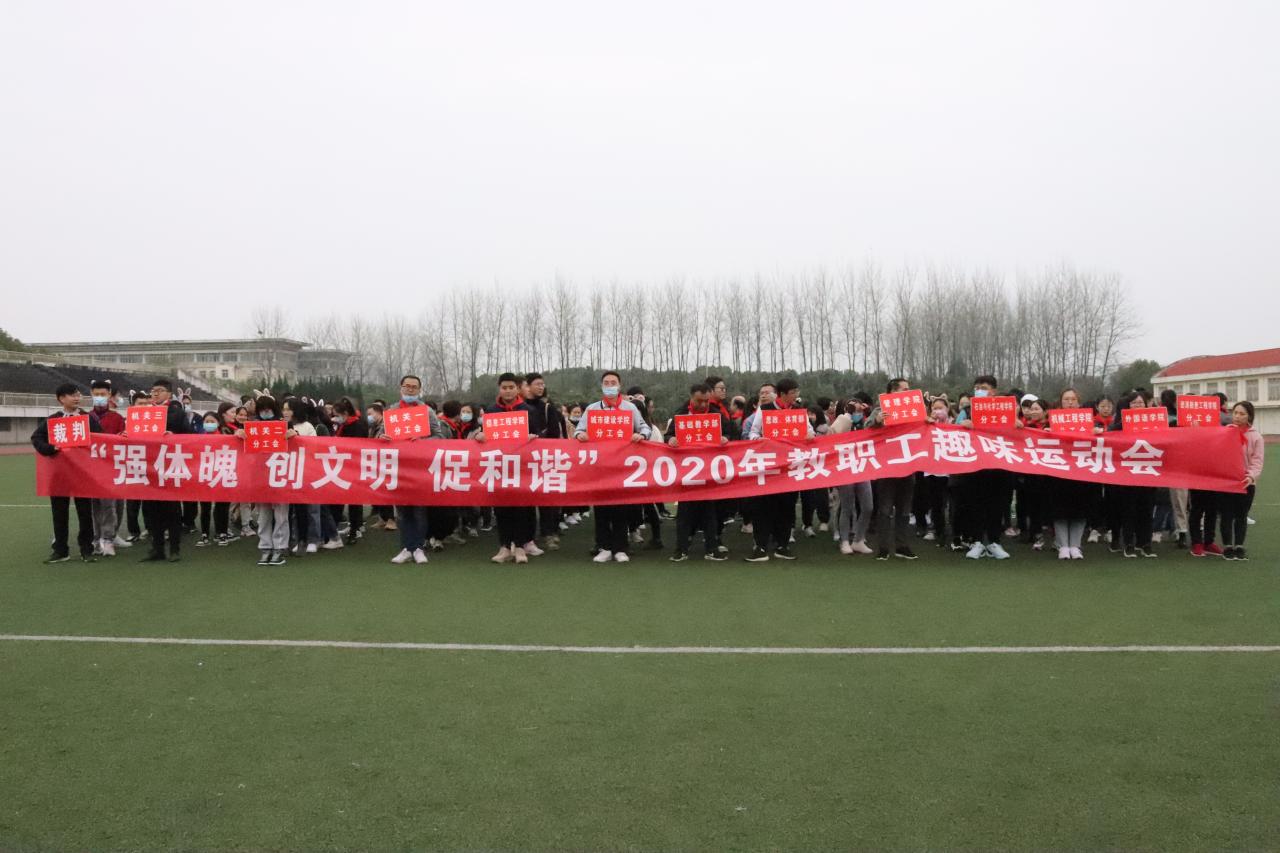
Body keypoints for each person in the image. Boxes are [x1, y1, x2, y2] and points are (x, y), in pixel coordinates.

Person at [574, 370, 651, 563]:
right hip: (599, 466)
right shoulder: (592, 409)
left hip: (621, 466)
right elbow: (579, 430)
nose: (610, 386)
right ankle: (604, 547)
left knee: (620, 508)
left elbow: (645, 428)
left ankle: (620, 548)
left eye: (613, 382)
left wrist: (640, 435)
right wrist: (580, 435)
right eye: (606, 383)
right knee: (601, 509)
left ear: (619, 385)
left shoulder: (630, 408)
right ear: (602, 386)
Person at [743, 377, 814, 562]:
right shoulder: (765, 409)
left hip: (789, 466)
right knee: (762, 506)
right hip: (767, 466)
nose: (796, 395)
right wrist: (759, 440)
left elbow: (810, 431)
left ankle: (782, 545)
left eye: (797, 391)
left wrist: (809, 434)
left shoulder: (798, 411)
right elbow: (753, 432)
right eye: (793, 392)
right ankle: (760, 547)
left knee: (787, 506)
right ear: (782, 394)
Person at [31, 382, 104, 563]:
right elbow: (36, 437)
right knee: (59, 513)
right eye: (72, 395)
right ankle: (61, 550)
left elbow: (103, 438)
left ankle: (87, 549)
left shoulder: (87, 419)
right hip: (60, 474)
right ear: (61, 399)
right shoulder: (53, 420)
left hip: (82, 474)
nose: (77, 398)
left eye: (78, 394)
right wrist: (50, 448)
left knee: (85, 513)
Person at [384, 375, 448, 565]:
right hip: (399, 466)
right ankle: (406, 547)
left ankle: (418, 547)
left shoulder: (427, 411)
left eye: (414, 387)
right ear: (400, 388)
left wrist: (423, 441)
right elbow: (380, 434)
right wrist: (383, 437)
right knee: (403, 511)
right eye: (407, 386)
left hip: (420, 467)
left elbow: (439, 436)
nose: (410, 390)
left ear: (419, 390)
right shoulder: (392, 411)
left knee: (419, 510)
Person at [477, 373, 538, 564]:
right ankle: (504, 547)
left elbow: (539, 435)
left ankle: (520, 547)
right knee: (501, 508)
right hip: (499, 466)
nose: (508, 391)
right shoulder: (491, 411)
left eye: (511, 387)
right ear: (499, 389)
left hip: (522, 466)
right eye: (504, 388)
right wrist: (480, 436)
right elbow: (484, 435)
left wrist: (533, 437)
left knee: (521, 508)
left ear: (517, 389)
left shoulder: (527, 410)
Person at [665, 383, 730, 562]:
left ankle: (712, 548)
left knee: (710, 512)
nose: (703, 405)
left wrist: (726, 438)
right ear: (691, 398)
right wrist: (671, 439)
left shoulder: (716, 414)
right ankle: (681, 549)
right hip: (687, 473)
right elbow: (667, 435)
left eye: (706, 401)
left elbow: (732, 433)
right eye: (699, 401)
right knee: (684, 513)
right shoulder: (680, 414)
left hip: (710, 471)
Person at [955, 374, 1013, 560]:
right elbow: (953, 431)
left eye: (984, 388)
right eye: (977, 388)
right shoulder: (966, 410)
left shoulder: (1005, 409)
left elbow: (1014, 431)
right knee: (975, 504)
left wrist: (1017, 424)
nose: (980, 391)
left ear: (993, 391)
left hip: (999, 465)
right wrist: (963, 425)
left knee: (997, 505)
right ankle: (977, 541)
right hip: (974, 466)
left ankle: (994, 542)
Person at [234, 396, 293, 566]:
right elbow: (239, 441)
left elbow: (297, 441)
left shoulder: (284, 424)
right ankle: (266, 547)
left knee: (281, 515)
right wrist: (239, 434)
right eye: (262, 409)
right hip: (260, 476)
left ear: (274, 409)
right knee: (264, 515)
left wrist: (293, 434)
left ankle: (279, 548)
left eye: (268, 409)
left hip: (280, 475)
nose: (265, 412)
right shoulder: (252, 426)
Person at [140, 379, 192, 563]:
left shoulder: (176, 412)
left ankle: (175, 548)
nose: (155, 393)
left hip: (170, 465)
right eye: (153, 390)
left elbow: (190, 435)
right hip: (149, 466)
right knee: (151, 511)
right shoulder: (143, 412)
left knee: (172, 511)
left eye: (160, 390)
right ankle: (157, 548)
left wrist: (174, 436)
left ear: (169, 394)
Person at [868, 378, 919, 561]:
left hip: (907, 466)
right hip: (887, 467)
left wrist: (928, 420)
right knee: (885, 509)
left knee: (904, 510)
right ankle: (883, 548)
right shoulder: (879, 411)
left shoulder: (914, 410)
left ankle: (901, 546)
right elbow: (866, 430)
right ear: (892, 392)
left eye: (909, 389)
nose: (908, 392)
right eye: (904, 389)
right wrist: (877, 421)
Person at [1109, 391, 1158, 558]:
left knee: (1147, 510)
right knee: (1129, 510)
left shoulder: (1156, 424)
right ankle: (1128, 543)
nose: (1138, 406)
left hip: (1149, 472)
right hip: (1128, 474)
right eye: (1134, 403)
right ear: (1128, 406)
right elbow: (1108, 437)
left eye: (1141, 403)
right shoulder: (1119, 425)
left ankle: (1145, 543)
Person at [1047, 388, 1094, 560]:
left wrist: (1096, 433)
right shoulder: (1052, 421)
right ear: (1061, 402)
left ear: (1078, 402)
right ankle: (1063, 546)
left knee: (1079, 510)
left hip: (1081, 471)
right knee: (1060, 510)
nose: (1070, 402)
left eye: (1073, 399)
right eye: (1066, 399)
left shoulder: (1088, 422)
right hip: (1059, 472)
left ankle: (1075, 545)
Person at [524, 372, 568, 550]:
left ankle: (549, 533)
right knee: (525, 499)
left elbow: (555, 434)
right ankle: (527, 536)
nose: (541, 387)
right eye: (537, 384)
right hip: (524, 460)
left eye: (542, 384)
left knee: (548, 499)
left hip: (544, 458)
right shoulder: (520, 408)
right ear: (527, 386)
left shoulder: (547, 408)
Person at [829, 398, 874, 555]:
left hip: (862, 467)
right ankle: (844, 541)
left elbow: (875, 428)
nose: (857, 413)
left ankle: (858, 539)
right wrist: (848, 415)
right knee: (847, 507)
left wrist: (867, 413)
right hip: (845, 468)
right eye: (855, 410)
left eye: (859, 410)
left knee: (868, 506)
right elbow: (833, 433)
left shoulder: (865, 422)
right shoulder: (842, 421)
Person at [87, 379, 126, 556]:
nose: (99, 397)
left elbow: (124, 440)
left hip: (113, 466)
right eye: (96, 394)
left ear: (110, 395)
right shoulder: (86, 418)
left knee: (115, 504)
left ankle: (110, 535)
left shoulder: (117, 418)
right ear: (91, 394)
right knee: (97, 505)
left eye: (103, 394)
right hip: (93, 469)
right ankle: (99, 538)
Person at [1220, 401, 1263, 561]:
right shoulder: (1225, 432)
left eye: (1242, 414)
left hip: (1246, 483)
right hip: (1227, 482)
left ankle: (1239, 546)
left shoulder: (1256, 436)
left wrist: (1250, 476)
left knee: (1241, 515)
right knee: (1226, 515)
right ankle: (1227, 546)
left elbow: (1257, 461)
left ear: (1249, 416)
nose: (1237, 416)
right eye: (1235, 413)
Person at [195, 410, 234, 547]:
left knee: (222, 506)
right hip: (205, 475)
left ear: (218, 423)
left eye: (212, 421)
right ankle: (204, 534)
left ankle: (222, 533)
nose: (209, 424)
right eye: (207, 421)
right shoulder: (197, 439)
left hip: (221, 474)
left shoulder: (226, 438)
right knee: (205, 507)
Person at [332, 397, 368, 545]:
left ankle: (355, 529)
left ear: (345, 413)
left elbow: (357, 445)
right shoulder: (345, 425)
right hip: (343, 465)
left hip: (354, 466)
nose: (335, 418)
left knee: (354, 500)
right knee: (340, 499)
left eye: (337, 415)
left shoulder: (357, 425)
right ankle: (343, 527)